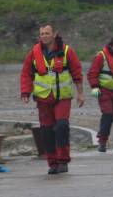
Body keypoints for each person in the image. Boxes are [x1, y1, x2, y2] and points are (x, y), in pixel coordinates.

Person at [20, 24, 84, 174]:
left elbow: (77, 72)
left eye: (47, 33)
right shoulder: (33, 53)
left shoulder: (67, 51)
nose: (44, 36)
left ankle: (63, 160)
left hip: (62, 97)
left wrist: (80, 93)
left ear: (54, 34)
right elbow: (26, 73)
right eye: (42, 33)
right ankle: (52, 163)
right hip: (43, 98)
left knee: (62, 126)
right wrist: (25, 92)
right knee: (46, 131)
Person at [87, 37, 113, 153]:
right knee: (108, 115)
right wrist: (95, 87)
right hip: (104, 90)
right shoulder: (101, 56)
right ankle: (102, 142)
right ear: (111, 46)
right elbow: (92, 73)